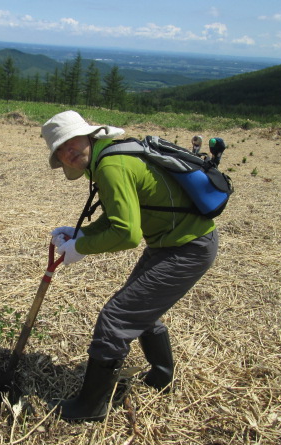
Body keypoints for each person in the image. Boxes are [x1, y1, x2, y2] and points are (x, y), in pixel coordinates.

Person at [41, 111, 219, 421]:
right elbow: (117, 218)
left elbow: (126, 234)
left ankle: (91, 406)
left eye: (71, 142)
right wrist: (82, 233)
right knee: (140, 311)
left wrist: (80, 247)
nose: (68, 153)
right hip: (172, 243)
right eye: (60, 150)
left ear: (90, 135)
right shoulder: (106, 160)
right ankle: (162, 376)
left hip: (187, 247)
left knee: (117, 317)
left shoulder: (110, 166)